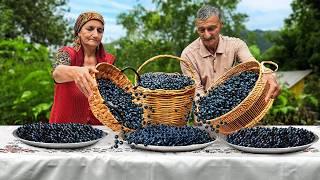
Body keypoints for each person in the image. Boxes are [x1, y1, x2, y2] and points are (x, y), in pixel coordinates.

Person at [180, 5, 280, 101]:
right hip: (206, 115)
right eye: (201, 30)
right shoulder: (188, 55)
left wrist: (266, 72)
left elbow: (252, 64)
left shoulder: (236, 45)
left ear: (221, 25)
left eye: (211, 29)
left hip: (239, 112)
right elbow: (197, 93)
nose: (206, 35)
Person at [49, 12, 115, 125]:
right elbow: (57, 73)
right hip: (64, 127)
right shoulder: (66, 53)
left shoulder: (108, 60)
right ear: (79, 31)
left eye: (100, 30)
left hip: (98, 128)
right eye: (90, 29)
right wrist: (76, 71)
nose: (95, 34)